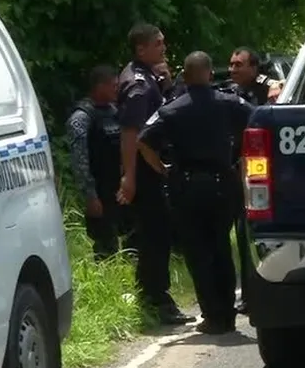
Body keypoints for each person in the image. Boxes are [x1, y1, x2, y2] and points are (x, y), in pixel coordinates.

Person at [137, 51, 253, 334]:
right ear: (211, 74)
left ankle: (212, 315)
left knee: (197, 252)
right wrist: (242, 159)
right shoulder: (230, 103)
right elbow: (257, 120)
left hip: (187, 186)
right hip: (222, 184)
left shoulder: (173, 109)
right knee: (221, 248)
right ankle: (227, 314)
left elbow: (143, 140)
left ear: (185, 78)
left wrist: (161, 168)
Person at [116, 22, 193, 325]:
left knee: (156, 235)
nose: (164, 47)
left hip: (151, 166)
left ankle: (150, 294)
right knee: (156, 236)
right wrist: (130, 177)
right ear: (141, 49)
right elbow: (130, 134)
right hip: (145, 171)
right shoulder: (137, 85)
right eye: (158, 43)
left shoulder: (149, 78)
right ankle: (157, 299)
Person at [223, 47, 284, 314]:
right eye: (231, 64)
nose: (233, 69)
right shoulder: (229, 90)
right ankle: (246, 295)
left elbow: (277, 85)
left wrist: (275, 86)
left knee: (251, 231)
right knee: (239, 230)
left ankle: (256, 293)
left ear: (254, 68)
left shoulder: (266, 87)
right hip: (233, 169)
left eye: (239, 65)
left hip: (259, 173)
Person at [66, 65, 134, 260]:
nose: (117, 90)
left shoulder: (114, 111)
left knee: (130, 238)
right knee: (106, 245)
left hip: (119, 187)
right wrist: (90, 196)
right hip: (99, 190)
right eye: (113, 86)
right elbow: (80, 161)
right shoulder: (81, 118)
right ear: (100, 86)